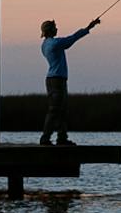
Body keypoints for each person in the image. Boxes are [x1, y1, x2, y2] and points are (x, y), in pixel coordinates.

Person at [38, 15, 100, 146]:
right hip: (57, 80)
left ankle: (61, 138)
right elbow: (72, 38)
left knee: (61, 110)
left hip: (54, 79)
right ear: (50, 30)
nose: (57, 29)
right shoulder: (54, 44)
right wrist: (89, 27)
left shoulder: (44, 45)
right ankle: (46, 138)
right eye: (55, 27)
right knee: (55, 109)